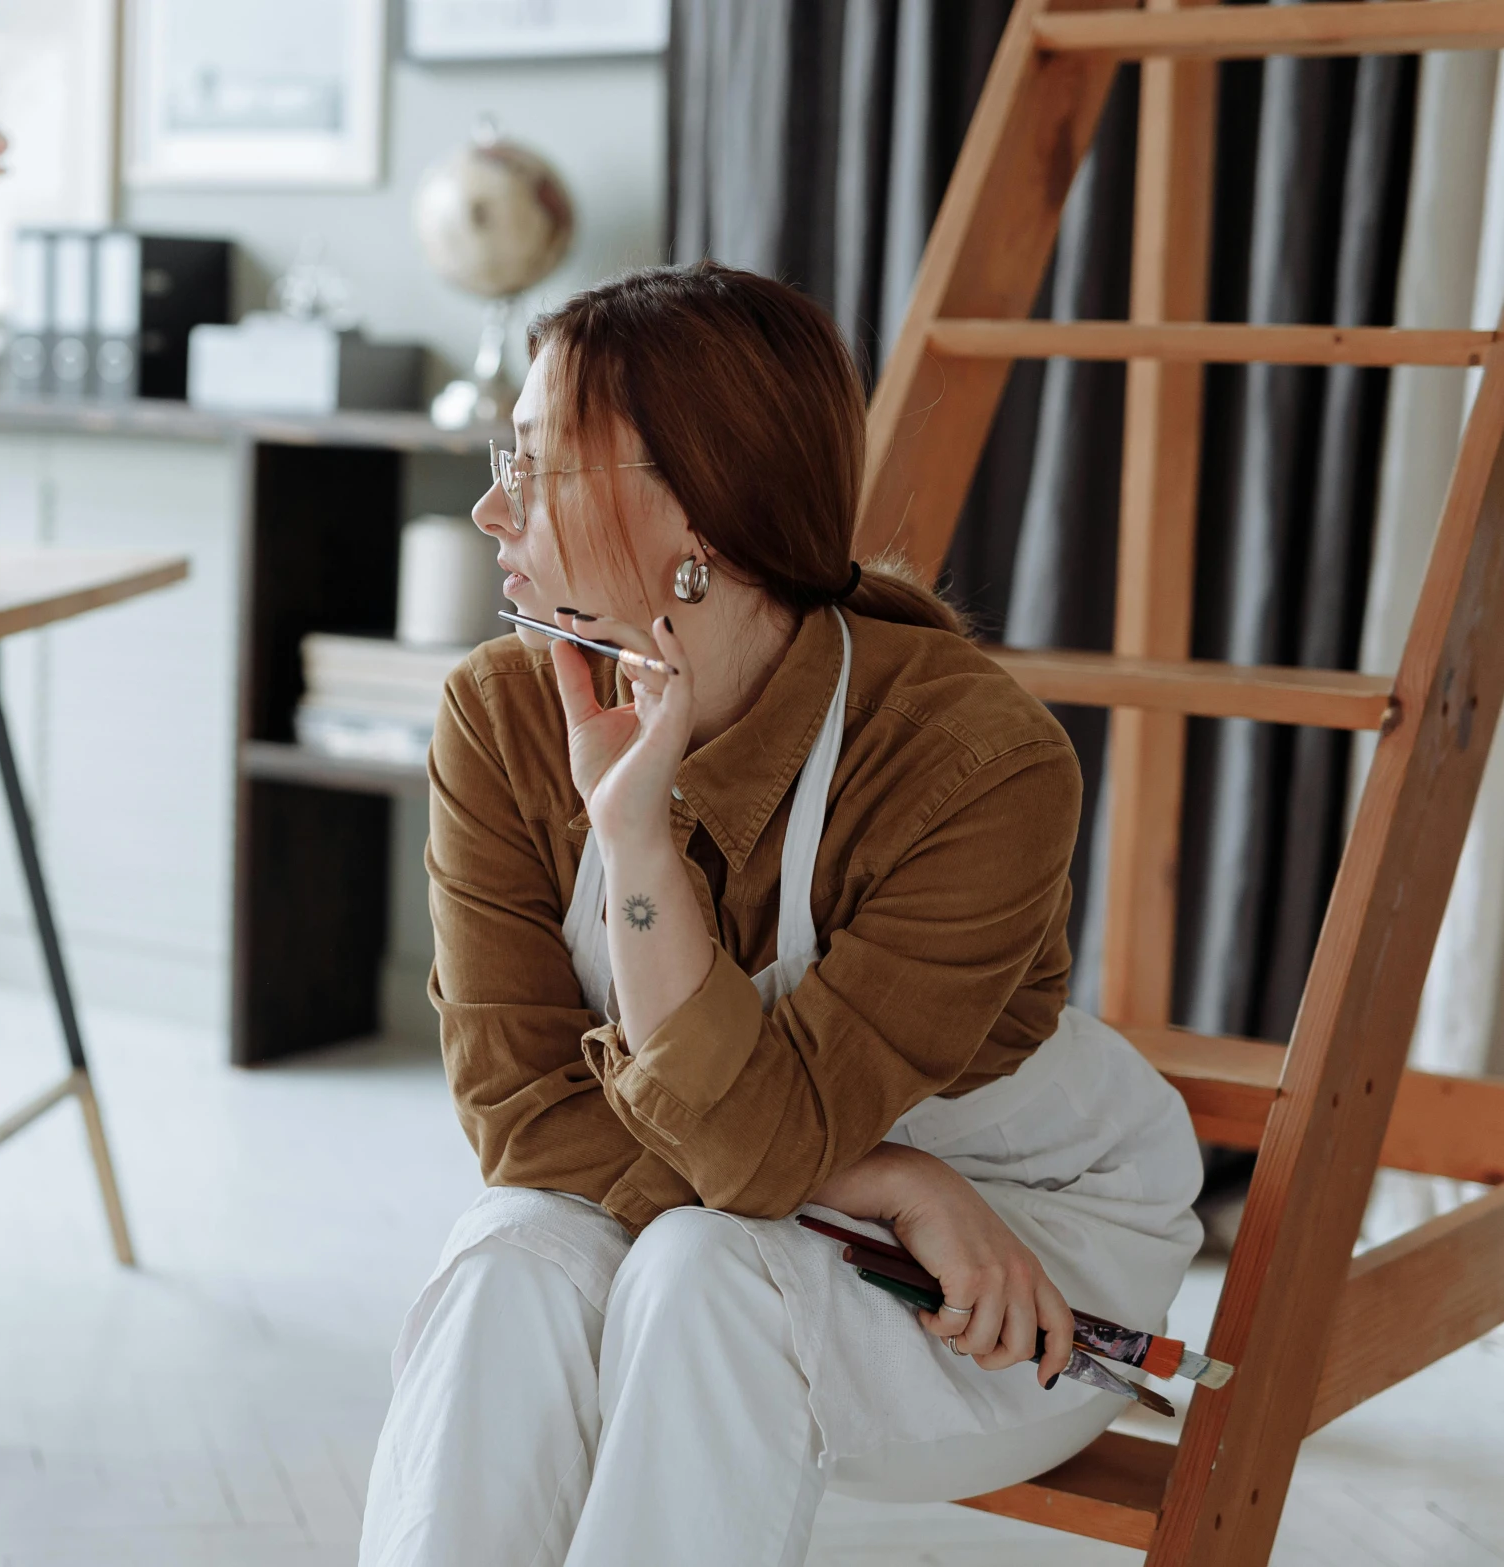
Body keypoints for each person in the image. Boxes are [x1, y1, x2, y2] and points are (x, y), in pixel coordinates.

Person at [355, 262, 1203, 1567]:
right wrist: (882, 1177)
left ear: (695, 519)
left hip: (1008, 1256)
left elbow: (748, 1161)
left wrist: (632, 830)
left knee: (704, 1274)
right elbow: (523, 1123)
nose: (486, 508)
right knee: (508, 1250)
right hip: (826, 1199)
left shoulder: (974, 762)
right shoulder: (501, 715)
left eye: (537, 467)